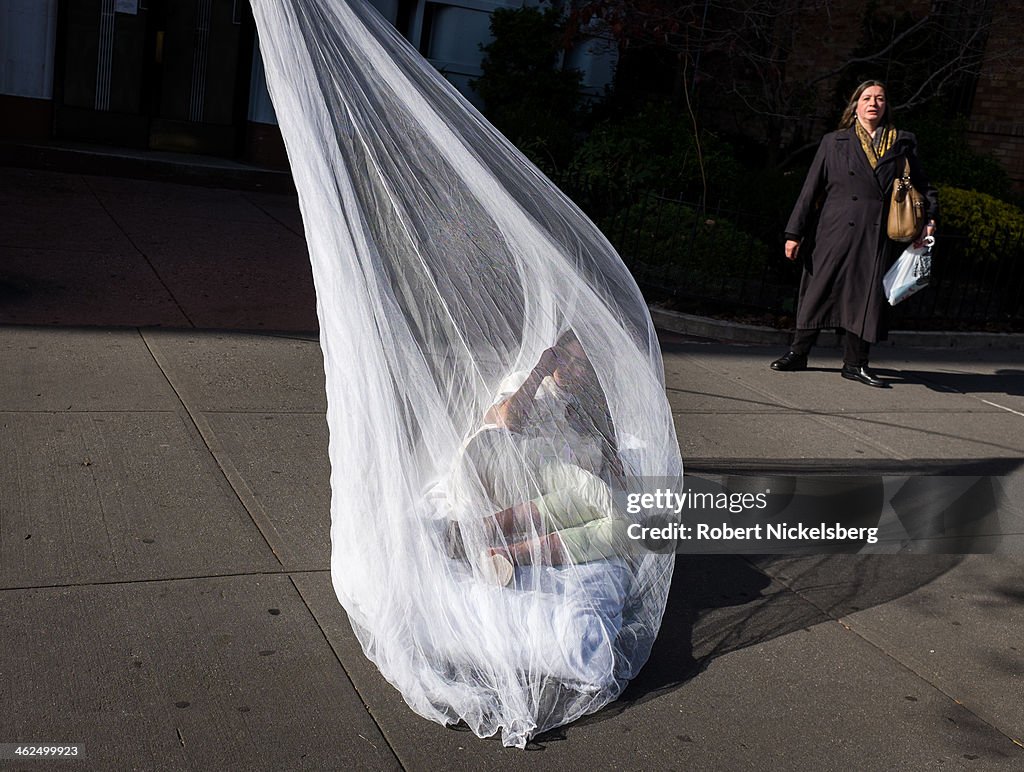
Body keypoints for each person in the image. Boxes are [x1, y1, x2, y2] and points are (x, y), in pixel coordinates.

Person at [770, 80, 939, 387]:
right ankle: (798, 352)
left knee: (865, 297)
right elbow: (811, 189)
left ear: (886, 105)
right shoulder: (834, 141)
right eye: (867, 98)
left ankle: (856, 363)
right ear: (855, 104)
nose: (874, 103)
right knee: (818, 290)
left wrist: (929, 218)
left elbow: (924, 186)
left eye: (880, 98)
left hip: (875, 235)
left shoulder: (902, 142)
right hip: (833, 229)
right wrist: (794, 233)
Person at [445, 332, 634, 583]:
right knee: (619, 513)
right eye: (564, 357)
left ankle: (497, 545)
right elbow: (506, 420)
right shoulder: (526, 381)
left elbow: (584, 463)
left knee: (613, 518)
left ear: (591, 373)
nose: (567, 368)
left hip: (535, 477)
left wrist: (607, 453)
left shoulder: (583, 413)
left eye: (579, 365)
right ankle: (500, 541)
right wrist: (540, 370)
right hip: (499, 458)